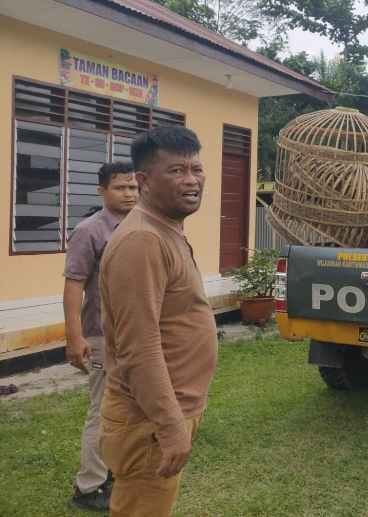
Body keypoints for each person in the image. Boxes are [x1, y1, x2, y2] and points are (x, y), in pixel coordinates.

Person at [98, 126, 218, 516]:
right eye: (176, 171)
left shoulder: (166, 230)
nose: (192, 180)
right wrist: (169, 427)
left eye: (196, 169)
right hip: (147, 421)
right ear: (144, 180)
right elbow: (140, 348)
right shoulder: (142, 241)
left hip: (163, 413)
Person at [64, 161, 139, 511]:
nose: (129, 194)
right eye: (121, 188)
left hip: (135, 336)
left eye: (134, 187)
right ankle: (88, 486)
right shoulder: (89, 230)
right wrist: (74, 337)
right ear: (102, 190)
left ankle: (111, 471)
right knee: (101, 409)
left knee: (127, 407)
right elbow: (74, 285)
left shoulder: (140, 226)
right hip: (101, 336)